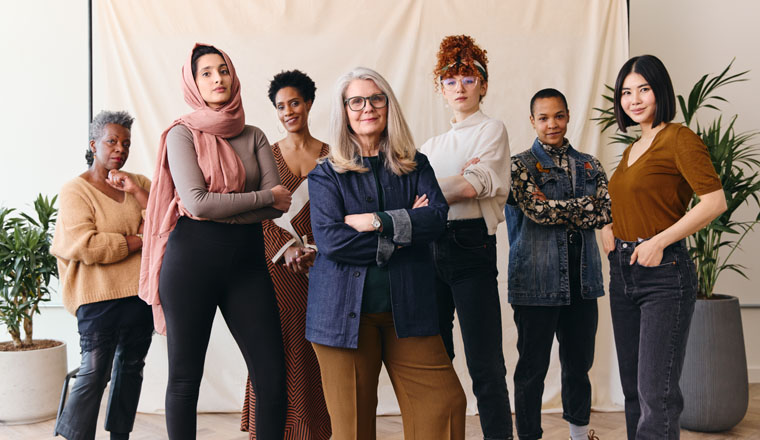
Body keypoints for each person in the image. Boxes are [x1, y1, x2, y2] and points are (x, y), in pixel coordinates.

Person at [139, 44, 291, 440]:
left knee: (272, 376)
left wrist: (232, 206)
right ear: (193, 83)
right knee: (185, 380)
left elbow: (280, 205)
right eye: (206, 73)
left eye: (222, 70)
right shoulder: (181, 134)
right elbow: (198, 203)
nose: (217, 79)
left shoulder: (254, 134)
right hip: (191, 264)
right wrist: (259, 200)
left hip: (247, 266)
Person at [307, 67, 467, 440]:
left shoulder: (416, 163)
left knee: (444, 405)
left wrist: (375, 221)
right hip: (341, 317)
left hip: (407, 310)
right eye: (356, 101)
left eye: (376, 98)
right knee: (353, 430)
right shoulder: (325, 174)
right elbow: (333, 242)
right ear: (344, 111)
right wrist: (406, 224)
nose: (368, 108)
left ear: (388, 105)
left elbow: (437, 220)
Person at [602, 54, 727, 439]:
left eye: (644, 89)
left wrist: (660, 241)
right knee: (634, 391)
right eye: (626, 92)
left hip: (664, 275)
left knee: (658, 394)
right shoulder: (632, 148)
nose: (634, 99)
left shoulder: (679, 138)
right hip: (623, 272)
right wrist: (606, 229)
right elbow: (627, 202)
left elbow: (714, 202)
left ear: (661, 92)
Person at [420, 34, 514, 440]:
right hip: (428, 249)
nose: (459, 87)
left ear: (484, 85)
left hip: (471, 245)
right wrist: (455, 181)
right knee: (436, 357)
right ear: (440, 90)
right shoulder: (429, 146)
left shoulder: (492, 130)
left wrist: (432, 192)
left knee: (485, 361)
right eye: (450, 80)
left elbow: (472, 188)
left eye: (469, 79)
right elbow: (441, 191)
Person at [505, 89, 609, 440]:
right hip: (535, 283)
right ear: (532, 121)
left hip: (584, 283)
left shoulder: (590, 164)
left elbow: (606, 211)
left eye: (559, 116)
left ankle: (579, 435)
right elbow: (537, 213)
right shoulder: (518, 166)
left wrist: (555, 208)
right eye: (544, 118)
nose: (552, 124)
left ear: (568, 116)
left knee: (579, 366)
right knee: (532, 369)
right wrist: (583, 207)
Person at [51, 110, 153, 440]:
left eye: (125, 143)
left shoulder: (140, 183)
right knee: (95, 372)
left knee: (131, 369)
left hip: (138, 294)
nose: (119, 149)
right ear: (94, 145)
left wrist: (138, 196)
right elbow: (87, 245)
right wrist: (138, 238)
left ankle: (120, 435)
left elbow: (165, 221)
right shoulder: (75, 191)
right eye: (111, 141)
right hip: (96, 297)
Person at [240, 69, 330, 439]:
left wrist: (315, 251)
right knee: (273, 347)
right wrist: (287, 249)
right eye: (280, 106)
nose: (288, 111)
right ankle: (271, 428)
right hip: (274, 269)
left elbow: (339, 215)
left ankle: (309, 427)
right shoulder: (266, 156)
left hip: (320, 269)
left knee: (313, 348)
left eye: (294, 102)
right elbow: (254, 214)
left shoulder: (332, 156)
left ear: (308, 103)